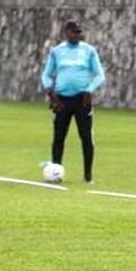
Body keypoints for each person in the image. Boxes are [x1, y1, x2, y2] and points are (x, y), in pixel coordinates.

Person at [41, 21, 105, 183]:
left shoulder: (89, 51)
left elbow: (99, 75)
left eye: (79, 32)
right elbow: (46, 75)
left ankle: (88, 175)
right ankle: (56, 172)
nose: (78, 35)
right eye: (74, 32)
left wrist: (89, 89)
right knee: (59, 137)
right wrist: (51, 92)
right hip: (61, 101)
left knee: (86, 137)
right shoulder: (57, 51)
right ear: (66, 33)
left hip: (82, 100)